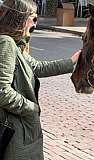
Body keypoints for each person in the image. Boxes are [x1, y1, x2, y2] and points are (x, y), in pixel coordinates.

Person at [0, 0, 80, 160]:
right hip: (17, 128)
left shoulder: (15, 45)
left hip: (23, 127)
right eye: (34, 18)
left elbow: (38, 67)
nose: (36, 23)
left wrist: (71, 61)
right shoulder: (6, 43)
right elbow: (2, 91)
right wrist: (31, 108)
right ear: (20, 18)